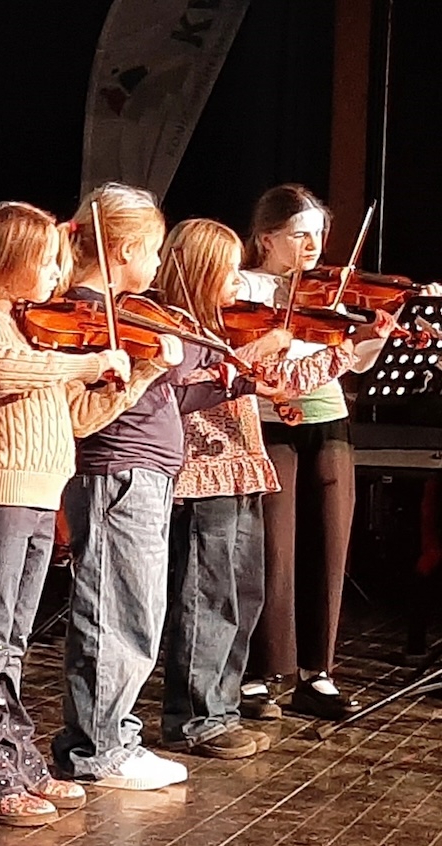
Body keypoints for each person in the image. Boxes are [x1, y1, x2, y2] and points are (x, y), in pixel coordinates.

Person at [0, 201, 158, 825]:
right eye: (44, 260)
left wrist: (138, 375)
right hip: (0, 493)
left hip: (44, 492)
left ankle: (15, 755)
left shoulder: (33, 331)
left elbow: (76, 417)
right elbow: (3, 372)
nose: (56, 272)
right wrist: (91, 363)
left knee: (16, 640)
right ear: (4, 260)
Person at [50, 183, 245, 791]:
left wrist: (230, 377)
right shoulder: (88, 309)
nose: (160, 266)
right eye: (154, 252)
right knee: (118, 608)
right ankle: (100, 747)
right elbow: (159, 372)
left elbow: (177, 380)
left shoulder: (129, 311)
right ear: (124, 249)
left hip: (144, 472)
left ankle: (110, 735)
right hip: (118, 469)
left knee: (139, 608)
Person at [154, 217, 341, 758]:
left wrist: (342, 348)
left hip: (241, 469)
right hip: (202, 473)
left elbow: (278, 383)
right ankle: (195, 717)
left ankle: (224, 703)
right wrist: (259, 349)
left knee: (243, 594)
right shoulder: (181, 331)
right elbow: (189, 387)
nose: (238, 281)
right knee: (205, 598)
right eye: (227, 270)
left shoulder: (226, 329)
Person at [237, 185, 397, 721]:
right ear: (266, 238)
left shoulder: (331, 289)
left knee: (329, 544)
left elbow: (355, 364)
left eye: (319, 233)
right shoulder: (246, 286)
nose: (313, 244)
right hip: (271, 422)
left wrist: (377, 332)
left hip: (328, 418)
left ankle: (317, 674)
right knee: (274, 549)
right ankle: (261, 673)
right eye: (299, 234)